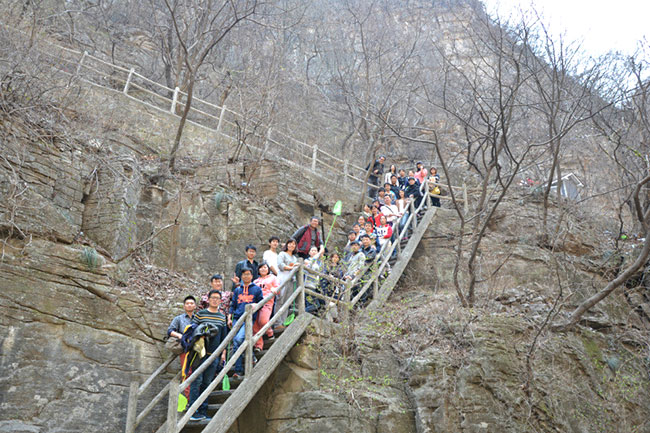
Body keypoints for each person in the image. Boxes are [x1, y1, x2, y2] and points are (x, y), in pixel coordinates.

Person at [188, 290, 227, 421]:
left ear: (220, 301)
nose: (215, 300)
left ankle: (203, 411)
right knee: (197, 380)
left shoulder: (222, 317)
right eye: (213, 298)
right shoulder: (200, 314)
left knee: (207, 382)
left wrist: (223, 353)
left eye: (217, 298)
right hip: (199, 353)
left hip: (214, 355)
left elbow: (224, 337)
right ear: (208, 299)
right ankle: (193, 411)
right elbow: (192, 331)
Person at [228, 268, 263, 378]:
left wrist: (255, 305)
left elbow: (261, 302)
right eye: (244, 274)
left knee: (238, 340)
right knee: (236, 344)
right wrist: (229, 317)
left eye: (248, 274)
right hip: (236, 318)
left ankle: (249, 359)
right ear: (241, 276)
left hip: (248, 319)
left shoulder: (256, 289)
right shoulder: (238, 290)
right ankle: (238, 371)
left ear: (252, 276)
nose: (246, 276)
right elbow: (233, 305)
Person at [167, 295, 196, 399]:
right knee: (187, 372)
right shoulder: (179, 319)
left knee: (197, 372)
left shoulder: (198, 318)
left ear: (195, 306)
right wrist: (180, 336)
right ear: (184, 306)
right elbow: (170, 331)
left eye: (191, 303)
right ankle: (189, 398)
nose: (189, 305)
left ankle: (196, 397)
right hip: (185, 349)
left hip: (197, 349)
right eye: (187, 303)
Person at [253, 262, 280, 352]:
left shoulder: (273, 278)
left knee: (263, 321)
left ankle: (270, 333)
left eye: (265, 267)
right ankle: (258, 345)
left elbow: (278, 288)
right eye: (261, 268)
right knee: (255, 325)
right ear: (258, 270)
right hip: (256, 303)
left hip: (267, 302)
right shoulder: (255, 281)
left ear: (268, 269)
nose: (263, 269)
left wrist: (274, 289)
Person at [276, 238, 299, 325]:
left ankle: (283, 322)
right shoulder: (282, 254)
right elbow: (280, 265)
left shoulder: (294, 258)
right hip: (282, 279)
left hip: (292, 280)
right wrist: (292, 267)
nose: (292, 245)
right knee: (280, 300)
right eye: (290, 243)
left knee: (287, 302)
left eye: (294, 244)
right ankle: (277, 323)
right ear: (286, 245)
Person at [304, 245, 325, 312]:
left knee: (311, 304)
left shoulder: (317, 263)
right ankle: (302, 313)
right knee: (315, 305)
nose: (314, 252)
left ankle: (304, 314)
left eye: (315, 251)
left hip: (315, 286)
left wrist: (321, 257)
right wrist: (320, 252)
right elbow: (310, 264)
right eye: (312, 250)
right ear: (309, 252)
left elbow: (322, 270)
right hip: (308, 285)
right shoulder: (307, 260)